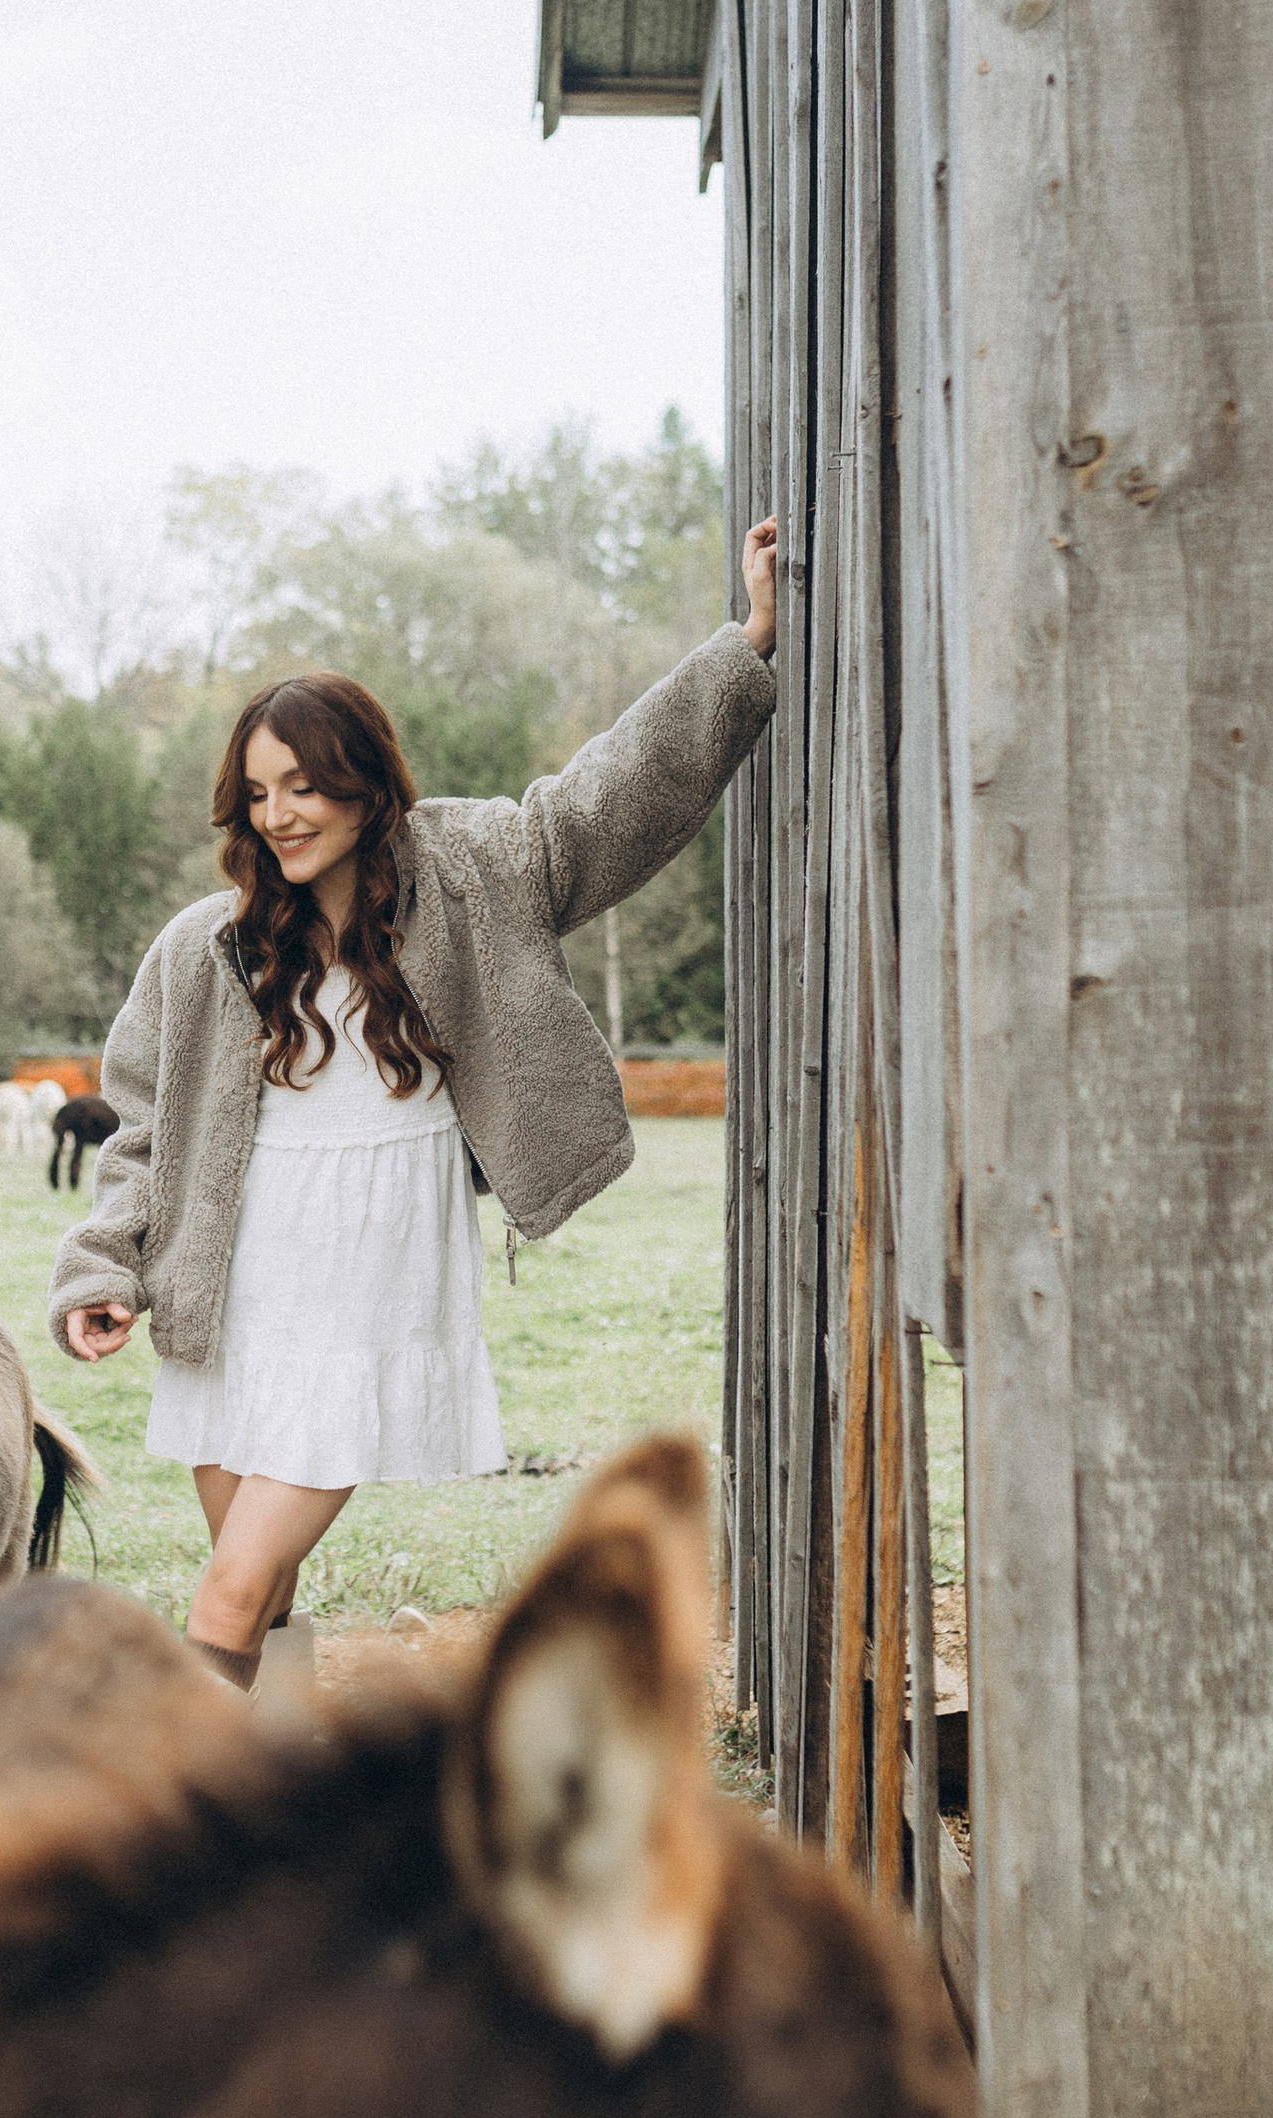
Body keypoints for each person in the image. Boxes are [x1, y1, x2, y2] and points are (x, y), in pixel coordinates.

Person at [49, 525, 778, 1686]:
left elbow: (609, 797)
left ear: (364, 780)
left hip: (368, 1274)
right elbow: (141, 1124)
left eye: (303, 784)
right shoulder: (206, 950)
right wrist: (101, 1268)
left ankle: (193, 1828)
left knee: (229, 1588)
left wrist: (742, 649)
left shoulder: (477, 871)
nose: (280, 814)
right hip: (237, 1279)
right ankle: (282, 1796)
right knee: (258, 1583)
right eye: (257, 792)